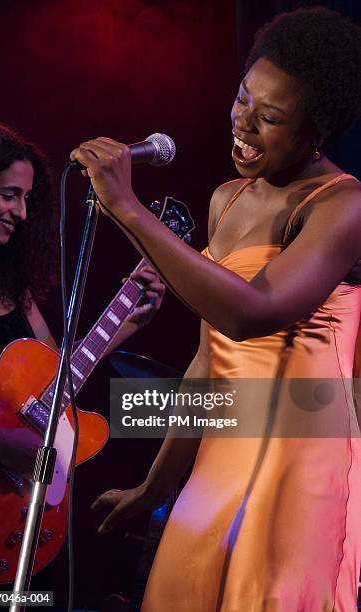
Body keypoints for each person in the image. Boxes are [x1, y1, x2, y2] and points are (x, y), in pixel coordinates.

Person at [70, 6, 361, 611]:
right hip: (221, 450)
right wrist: (154, 485)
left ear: (319, 129)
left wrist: (129, 209)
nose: (244, 125)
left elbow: (252, 314)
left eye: (271, 118)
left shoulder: (344, 205)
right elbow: (209, 363)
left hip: (300, 457)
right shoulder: (226, 200)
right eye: (241, 100)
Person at [0, 119, 165, 497]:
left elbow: (56, 375)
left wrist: (128, 324)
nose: (21, 212)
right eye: (9, 195)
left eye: (27, 199)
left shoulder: (12, 286)